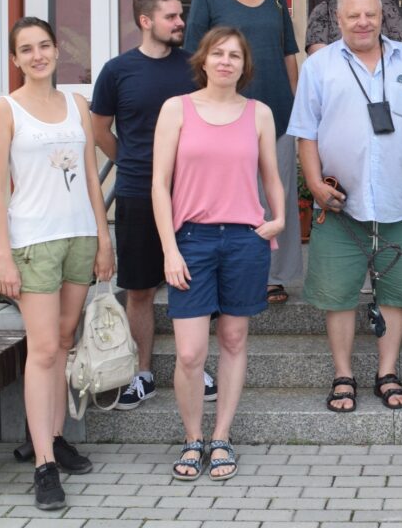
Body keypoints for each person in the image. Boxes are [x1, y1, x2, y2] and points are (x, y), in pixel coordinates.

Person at [288, 0, 402, 412]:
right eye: (353, 15)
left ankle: (387, 371)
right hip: (340, 205)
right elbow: (304, 133)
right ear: (338, 19)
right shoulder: (318, 67)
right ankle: (343, 374)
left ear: (383, 16)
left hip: (400, 201)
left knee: (395, 291)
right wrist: (315, 185)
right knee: (337, 294)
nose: (363, 22)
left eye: (371, 14)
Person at [0, 17, 114, 510]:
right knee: (41, 351)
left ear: (57, 51)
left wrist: (104, 238)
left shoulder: (76, 105)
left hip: (79, 236)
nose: (37, 55)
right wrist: (3, 258)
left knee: (63, 341)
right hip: (33, 242)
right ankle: (43, 464)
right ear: (15, 59)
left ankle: (55, 436)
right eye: (26, 49)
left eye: (44, 46)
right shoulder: (6, 109)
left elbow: (88, 180)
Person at [152, 27, 285, 482]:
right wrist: (169, 247)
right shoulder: (177, 109)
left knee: (232, 340)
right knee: (190, 353)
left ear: (244, 66)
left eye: (235, 55)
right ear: (203, 60)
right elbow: (158, 185)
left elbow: (272, 175)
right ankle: (193, 438)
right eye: (218, 53)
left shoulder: (259, 113)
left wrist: (280, 217)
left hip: (245, 241)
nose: (226, 61)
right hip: (192, 240)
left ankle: (222, 436)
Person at [91, 0, 218, 410]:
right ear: (146, 21)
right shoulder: (117, 71)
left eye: (180, 16)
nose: (180, 23)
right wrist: (130, 163)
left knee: (195, 282)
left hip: (192, 194)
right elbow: (99, 130)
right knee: (141, 288)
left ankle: (194, 365)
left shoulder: (193, 68)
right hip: (138, 195)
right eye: (171, 17)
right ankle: (141, 373)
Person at [185, 0, 300, 306]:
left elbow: (288, 51)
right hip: (224, 111)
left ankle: (274, 276)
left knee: (275, 194)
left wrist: (297, 102)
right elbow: (195, 56)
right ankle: (230, 272)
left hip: (277, 110)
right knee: (230, 194)